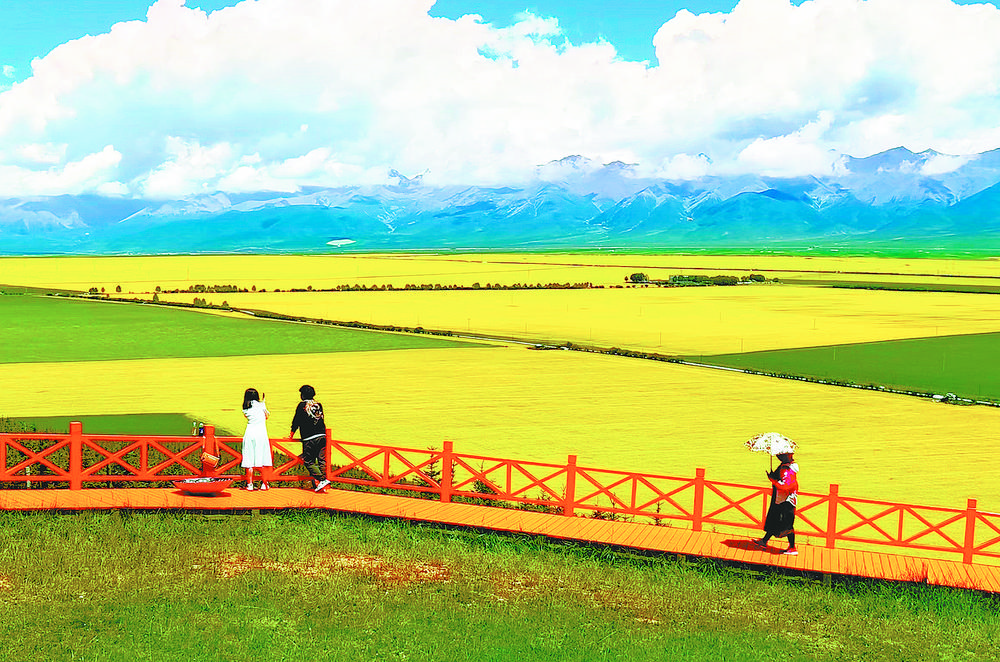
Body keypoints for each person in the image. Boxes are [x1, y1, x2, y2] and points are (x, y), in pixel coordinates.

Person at [753, 452, 799, 555]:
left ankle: (792, 547)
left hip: (786, 500)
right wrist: (773, 476)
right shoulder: (787, 467)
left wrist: (773, 480)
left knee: (787, 524)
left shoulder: (787, 469)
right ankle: (764, 540)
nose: (779, 457)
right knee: (774, 519)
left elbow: (785, 486)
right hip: (781, 498)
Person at [290, 384, 329, 492]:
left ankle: (322, 480)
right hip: (322, 435)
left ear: (303, 395)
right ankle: (323, 486)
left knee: (308, 460)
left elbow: (296, 421)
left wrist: (291, 434)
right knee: (322, 460)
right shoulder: (318, 404)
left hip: (309, 437)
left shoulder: (302, 405)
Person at [241, 388, 272, 491]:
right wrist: (263, 405)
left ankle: (250, 484)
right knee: (262, 459)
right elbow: (267, 416)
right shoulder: (261, 405)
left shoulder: (245, 408)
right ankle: (264, 484)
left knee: (249, 460)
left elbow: (248, 416)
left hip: (250, 433)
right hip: (261, 433)